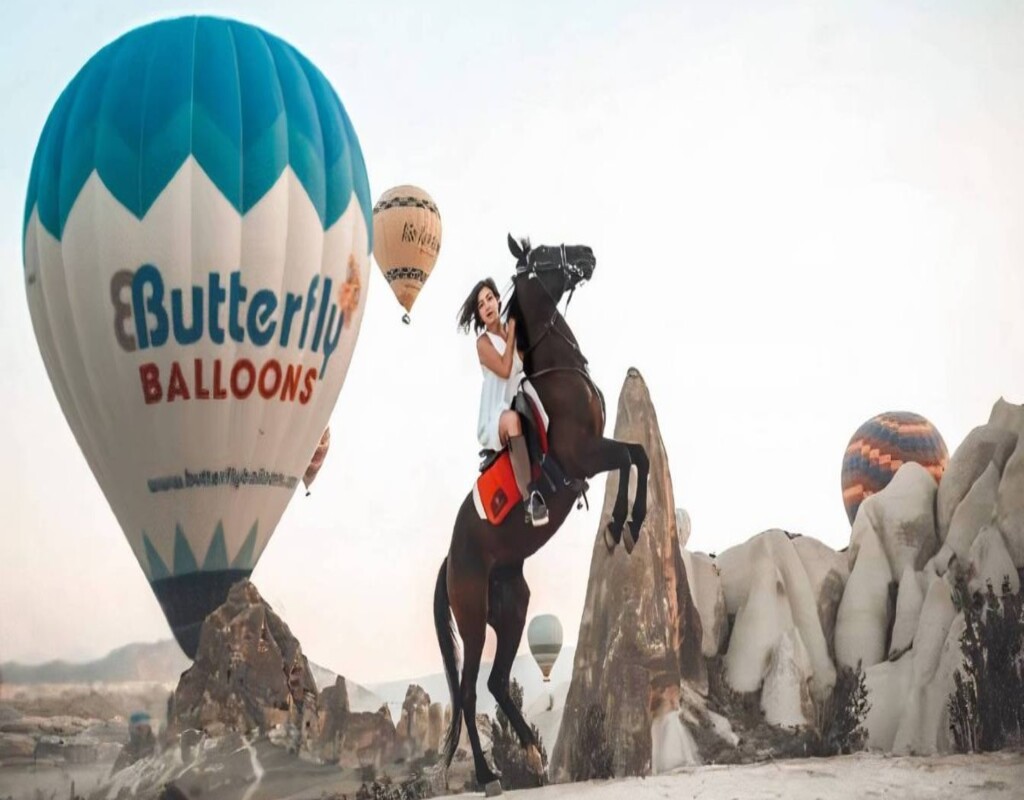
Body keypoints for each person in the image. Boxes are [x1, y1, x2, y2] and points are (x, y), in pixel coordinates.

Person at [458, 278, 548, 526]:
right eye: (480, 304)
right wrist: (510, 333)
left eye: (489, 298)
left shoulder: (512, 335)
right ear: (478, 314)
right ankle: (531, 499)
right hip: (494, 415)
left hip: (514, 402)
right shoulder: (483, 343)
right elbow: (506, 368)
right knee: (512, 421)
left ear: (498, 299)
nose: (486, 305)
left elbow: (525, 366)